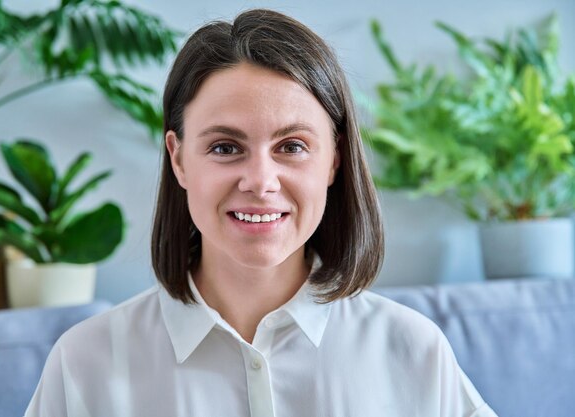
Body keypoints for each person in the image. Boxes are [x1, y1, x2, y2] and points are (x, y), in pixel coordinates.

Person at [25, 9, 497, 417]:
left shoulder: (412, 350)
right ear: (178, 158)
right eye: (226, 147)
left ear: (334, 159)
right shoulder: (85, 363)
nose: (261, 180)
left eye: (291, 146)